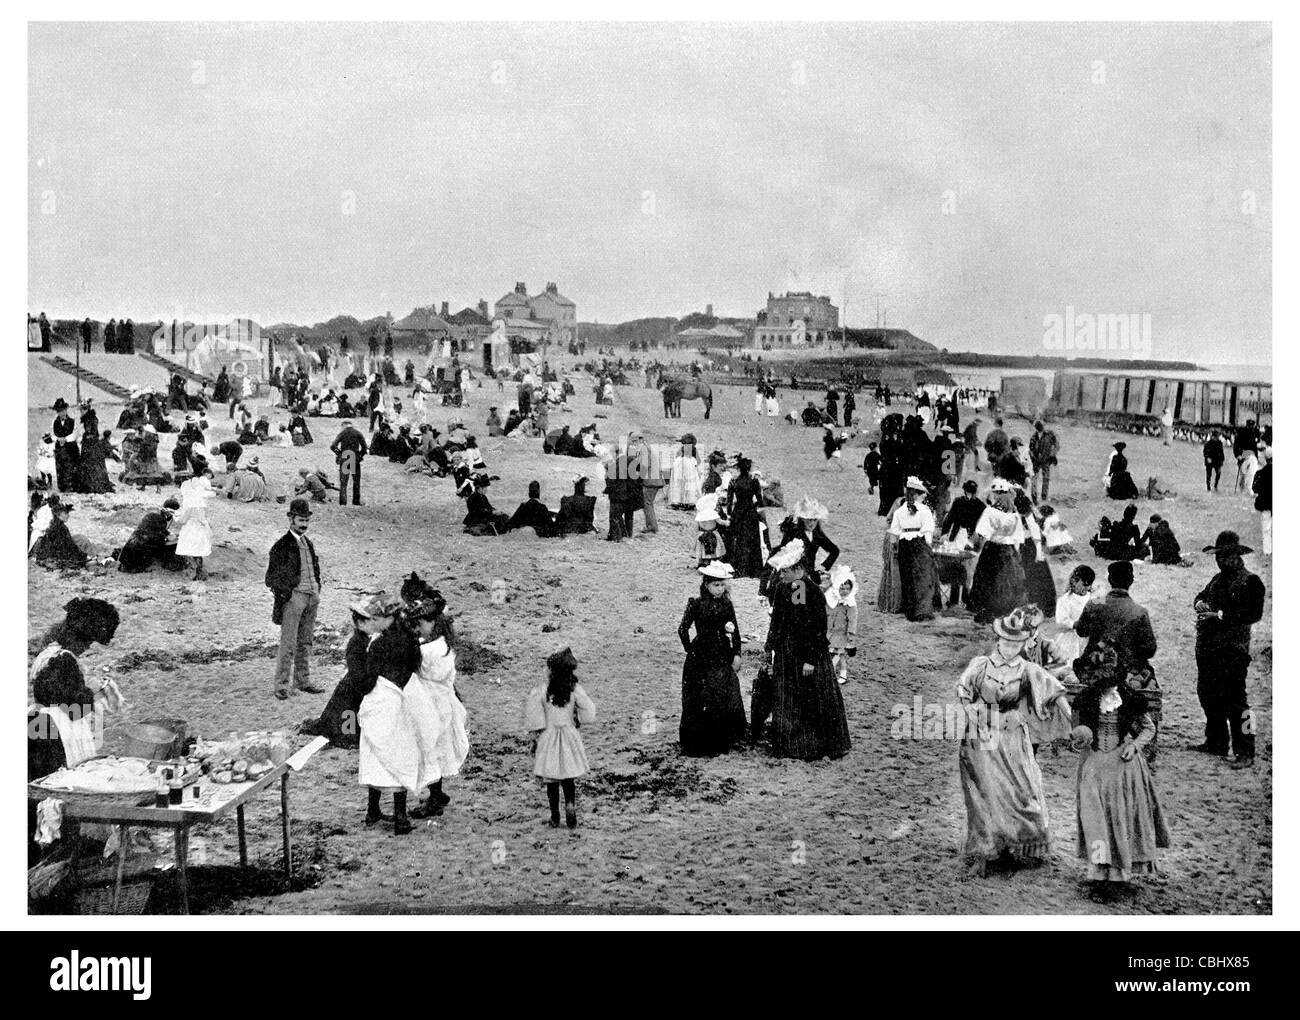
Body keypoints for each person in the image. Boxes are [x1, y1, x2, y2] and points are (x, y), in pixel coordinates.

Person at [956, 606, 1072, 876]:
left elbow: (1054, 691)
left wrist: (1072, 719)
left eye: (1016, 643)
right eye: (1006, 641)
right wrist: (970, 711)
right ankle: (987, 850)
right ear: (998, 640)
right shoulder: (980, 665)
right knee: (984, 792)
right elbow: (964, 690)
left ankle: (1018, 846)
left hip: (1012, 736)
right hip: (980, 738)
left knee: (1020, 790)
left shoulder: (1028, 669)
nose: (1009, 647)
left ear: (1022, 643)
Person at [28, 598, 123, 861]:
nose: (86, 648)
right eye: (87, 642)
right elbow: (74, 708)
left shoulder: (48, 654)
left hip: (39, 726)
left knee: (43, 791)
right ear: (77, 637)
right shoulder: (64, 660)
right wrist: (94, 693)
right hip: (55, 733)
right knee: (60, 791)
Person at [1072, 642, 1170, 890]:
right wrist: (1080, 736)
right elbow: (1075, 730)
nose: (1105, 684)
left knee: (1119, 816)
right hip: (1093, 764)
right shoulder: (1087, 698)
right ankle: (1097, 869)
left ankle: (1118, 873)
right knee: (1094, 818)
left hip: (1122, 766)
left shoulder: (1128, 698)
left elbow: (1149, 728)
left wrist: (1134, 746)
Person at [752, 540, 851, 760]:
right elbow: (776, 621)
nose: (782, 575)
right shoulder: (782, 588)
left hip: (808, 653)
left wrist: (810, 660)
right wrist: (769, 649)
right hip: (787, 652)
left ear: (799, 570)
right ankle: (789, 744)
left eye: (786, 571)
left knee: (810, 700)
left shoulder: (813, 592)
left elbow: (816, 629)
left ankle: (809, 746)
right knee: (789, 700)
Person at [1190, 531, 1266, 769]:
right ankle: (1216, 741)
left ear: (1237, 556)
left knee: (1238, 704)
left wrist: (1220, 615)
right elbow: (1201, 596)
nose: (1220, 560)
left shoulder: (1251, 582)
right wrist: (1200, 604)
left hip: (1233, 651)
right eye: (1218, 556)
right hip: (1209, 649)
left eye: (1225, 556)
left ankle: (1246, 750)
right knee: (1209, 696)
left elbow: (1253, 614)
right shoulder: (1217, 579)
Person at [357, 601, 424, 835]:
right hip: (401, 698)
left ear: (389, 618)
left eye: (376, 618)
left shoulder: (379, 644)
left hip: (381, 698)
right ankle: (400, 816)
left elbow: (368, 681)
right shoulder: (411, 640)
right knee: (400, 752)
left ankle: (373, 809)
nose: (373, 622)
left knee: (374, 752)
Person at [300, 592, 397, 748]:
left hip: (355, 684)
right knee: (347, 719)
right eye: (369, 621)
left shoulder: (365, 639)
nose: (373, 623)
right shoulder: (356, 643)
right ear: (361, 623)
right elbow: (356, 670)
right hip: (353, 688)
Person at [406, 594, 471, 819]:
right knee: (439, 748)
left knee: (430, 749)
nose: (418, 629)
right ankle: (438, 793)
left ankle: (434, 800)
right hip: (442, 701)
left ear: (433, 623)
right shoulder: (444, 645)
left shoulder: (430, 651)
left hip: (432, 704)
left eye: (420, 624)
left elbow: (416, 668)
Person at [676, 562, 748, 756]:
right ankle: (701, 740)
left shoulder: (726, 604)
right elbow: (683, 629)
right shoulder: (696, 604)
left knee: (722, 694)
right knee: (702, 695)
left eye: (722, 585)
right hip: (701, 656)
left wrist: (737, 653)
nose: (719, 588)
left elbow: (736, 632)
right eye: (716, 585)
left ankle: (724, 738)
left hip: (722, 654)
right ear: (706, 585)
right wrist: (690, 649)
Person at [524, 647, 596, 828]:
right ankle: (571, 805)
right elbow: (589, 712)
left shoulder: (543, 691)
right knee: (568, 776)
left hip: (549, 737)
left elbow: (535, 720)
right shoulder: (574, 689)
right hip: (569, 735)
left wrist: (536, 736)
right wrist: (577, 718)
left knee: (551, 779)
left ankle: (555, 815)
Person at [266, 498, 325, 700]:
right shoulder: (281, 545)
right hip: (294, 598)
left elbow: (314, 569)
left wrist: (316, 588)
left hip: (311, 597)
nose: (304, 524)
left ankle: (303, 681)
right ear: (291, 518)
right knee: (288, 643)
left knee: (305, 641)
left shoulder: (308, 543)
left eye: (307, 520)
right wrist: (289, 593)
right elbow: (270, 578)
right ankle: (282, 685)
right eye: (301, 520)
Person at [1075, 561, 1157, 685]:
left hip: (1094, 669)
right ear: (1131, 581)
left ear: (1109, 579)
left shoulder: (1094, 604)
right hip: (1128, 673)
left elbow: (1081, 631)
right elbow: (1150, 649)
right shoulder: (1140, 612)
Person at [968, 480, 1027, 624]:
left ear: (996, 494)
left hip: (993, 549)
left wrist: (969, 543)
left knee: (988, 581)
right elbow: (1019, 538)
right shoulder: (1014, 513)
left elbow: (980, 532)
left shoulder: (990, 511)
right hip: (1009, 551)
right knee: (1006, 582)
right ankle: (1005, 612)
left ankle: (988, 612)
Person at [890, 477, 939, 621]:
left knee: (908, 576)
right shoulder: (924, 510)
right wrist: (928, 547)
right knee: (923, 576)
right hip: (919, 543)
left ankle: (910, 610)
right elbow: (928, 531)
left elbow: (894, 531)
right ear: (917, 494)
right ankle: (922, 611)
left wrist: (895, 548)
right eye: (923, 494)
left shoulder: (899, 511)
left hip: (904, 543)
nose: (925, 496)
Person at [724, 457, 767, 576]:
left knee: (739, 540)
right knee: (752, 540)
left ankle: (739, 568)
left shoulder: (734, 481)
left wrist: (729, 515)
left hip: (738, 512)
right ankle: (753, 570)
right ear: (749, 468)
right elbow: (759, 500)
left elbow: (729, 501)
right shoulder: (754, 481)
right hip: (750, 512)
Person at [1015, 493, 1056, 616]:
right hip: (1028, 547)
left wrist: (1038, 552)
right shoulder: (1024, 516)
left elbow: (1036, 536)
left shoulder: (1028, 517)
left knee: (1033, 577)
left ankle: (1041, 606)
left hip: (1030, 547)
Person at [117, 497, 182, 573]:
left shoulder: (150, 516)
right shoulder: (161, 521)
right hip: (138, 561)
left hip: (125, 557)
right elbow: (170, 538)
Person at [174, 471, 216, 580]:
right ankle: (200, 571)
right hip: (201, 528)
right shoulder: (201, 502)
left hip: (191, 528)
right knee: (199, 552)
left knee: (190, 551)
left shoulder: (189, 503)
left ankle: (194, 572)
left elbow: (183, 520)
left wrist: (175, 516)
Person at [1052, 565, 1096, 664]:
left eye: (1089, 585)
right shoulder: (1065, 600)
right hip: (1070, 637)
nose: (1087, 588)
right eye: (1084, 585)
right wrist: (1075, 624)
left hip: (1087, 636)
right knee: (1069, 661)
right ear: (1074, 582)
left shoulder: (1092, 599)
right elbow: (1061, 621)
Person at [825, 563, 859, 685]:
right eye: (842, 588)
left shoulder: (850, 604)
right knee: (829, 653)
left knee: (840, 655)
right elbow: (826, 613)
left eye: (847, 589)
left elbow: (852, 620)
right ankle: (831, 673)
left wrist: (851, 635)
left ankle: (842, 674)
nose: (845, 591)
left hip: (842, 633)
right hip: (829, 632)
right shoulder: (831, 599)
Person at [30, 500, 88, 569]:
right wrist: (84, 557)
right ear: (58, 514)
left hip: (48, 558)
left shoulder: (54, 524)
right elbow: (69, 547)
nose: (68, 515)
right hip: (53, 560)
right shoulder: (60, 528)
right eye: (66, 513)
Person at [330, 420, 368, 506]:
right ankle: (356, 501)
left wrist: (339, 453)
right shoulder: (358, 433)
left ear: (344, 425)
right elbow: (364, 448)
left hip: (345, 458)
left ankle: (343, 502)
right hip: (354, 458)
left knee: (343, 482)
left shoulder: (342, 433)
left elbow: (333, 446)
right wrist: (360, 456)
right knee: (356, 481)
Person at [51, 398, 80, 493]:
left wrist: (65, 439)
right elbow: (53, 434)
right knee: (60, 467)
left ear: (66, 410)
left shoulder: (72, 421)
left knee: (71, 466)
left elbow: (75, 434)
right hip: (59, 447)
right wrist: (58, 439)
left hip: (70, 447)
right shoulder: (55, 422)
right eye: (59, 411)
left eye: (62, 411)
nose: (61, 413)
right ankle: (62, 486)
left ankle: (71, 486)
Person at [668, 436, 703, 508]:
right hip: (689, 467)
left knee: (679, 484)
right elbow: (698, 460)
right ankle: (690, 502)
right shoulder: (694, 449)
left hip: (680, 467)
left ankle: (677, 501)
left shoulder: (681, 449)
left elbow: (677, 456)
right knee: (690, 484)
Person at [1028, 420, 1058, 502]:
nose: (1041, 427)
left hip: (1046, 460)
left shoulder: (1049, 435)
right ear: (1036, 428)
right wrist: (1033, 459)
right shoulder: (1033, 437)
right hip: (1036, 461)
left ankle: (1044, 496)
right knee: (1034, 478)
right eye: (1039, 426)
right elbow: (1030, 450)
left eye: (1041, 425)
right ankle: (1034, 496)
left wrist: (1053, 454)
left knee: (1046, 478)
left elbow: (1056, 445)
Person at [1254, 449, 1272, 559]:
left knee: (1266, 528)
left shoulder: (1260, 473)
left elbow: (1255, 489)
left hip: (1265, 504)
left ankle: (1267, 550)